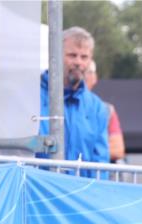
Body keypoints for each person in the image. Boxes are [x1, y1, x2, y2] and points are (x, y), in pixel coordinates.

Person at [37, 26, 109, 176]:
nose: (78, 62)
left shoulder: (96, 107)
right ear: (55, 55)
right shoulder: (31, 98)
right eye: (72, 55)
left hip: (76, 196)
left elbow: (100, 163)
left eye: (84, 57)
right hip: (37, 194)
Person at [84, 61, 125, 162]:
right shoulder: (56, 106)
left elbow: (118, 150)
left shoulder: (106, 109)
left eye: (88, 72)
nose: (83, 76)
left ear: (95, 77)